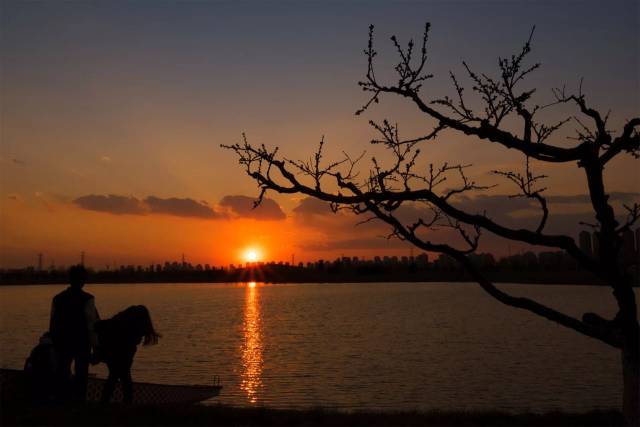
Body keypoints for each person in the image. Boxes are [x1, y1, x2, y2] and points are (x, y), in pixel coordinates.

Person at [49, 264, 99, 402]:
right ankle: (79, 402)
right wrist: (95, 346)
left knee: (62, 372)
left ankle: (61, 401)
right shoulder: (88, 299)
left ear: (69, 279)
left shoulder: (57, 299)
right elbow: (91, 325)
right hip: (81, 343)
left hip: (62, 342)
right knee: (81, 374)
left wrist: (54, 342)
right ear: (84, 280)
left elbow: (53, 323)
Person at [93, 305, 160, 404]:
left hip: (113, 355)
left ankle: (106, 402)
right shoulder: (131, 329)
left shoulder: (115, 324)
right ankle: (121, 403)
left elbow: (98, 327)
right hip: (121, 356)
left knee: (115, 377)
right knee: (122, 378)